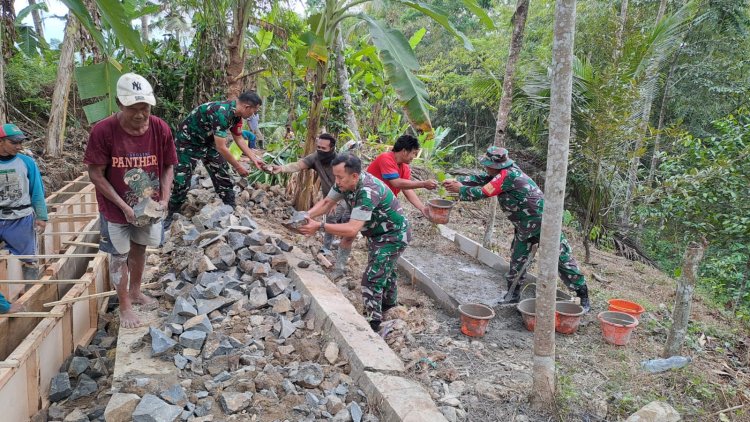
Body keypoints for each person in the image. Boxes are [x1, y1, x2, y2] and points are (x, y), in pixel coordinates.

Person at [443, 146, 590, 312]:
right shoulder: (501, 173)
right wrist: (459, 181)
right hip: (524, 226)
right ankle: (513, 295)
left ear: (496, 165)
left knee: (561, 258)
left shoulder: (509, 175)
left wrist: (460, 189)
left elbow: (483, 192)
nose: (486, 168)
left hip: (543, 224)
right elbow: (483, 178)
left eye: (487, 165)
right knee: (517, 259)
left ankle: (583, 296)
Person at [84, 73, 177, 328]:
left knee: (140, 247)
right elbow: (95, 173)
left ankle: (135, 291)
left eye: (144, 108)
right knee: (118, 255)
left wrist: (165, 198)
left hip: (149, 205)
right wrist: (123, 206)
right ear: (119, 104)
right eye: (132, 109)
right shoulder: (103, 131)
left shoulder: (160, 128)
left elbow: (169, 166)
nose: (139, 115)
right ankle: (124, 306)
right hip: (116, 208)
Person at [299, 154, 410, 332]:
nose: (337, 181)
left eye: (339, 177)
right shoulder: (345, 182)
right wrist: (306, 216)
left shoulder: (368, 192)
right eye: (335, 176)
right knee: (385, 271)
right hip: (377, 234)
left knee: (372, 279)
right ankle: (390, 307)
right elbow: (327, 202)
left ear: (355, 176)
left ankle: (372, 324)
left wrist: (319, 225)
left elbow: (351, 229)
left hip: (393, 235)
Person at [167, 91, 265, 221]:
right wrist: (238, 167)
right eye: (254, 110)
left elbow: (239, 139)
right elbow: (221, 147)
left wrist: (254, 159)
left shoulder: (236, 116)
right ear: (247, 107)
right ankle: (171, 213)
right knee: (183, 179)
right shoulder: (222, 113)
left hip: (208, 142)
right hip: (188, 141)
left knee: (221, 171)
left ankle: (230, 206)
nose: (254, 114)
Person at [269, 133, 354, 279]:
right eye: (318, 147)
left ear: (332, 148)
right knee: (331, 219)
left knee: (346, 226)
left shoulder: (340, 162)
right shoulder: (316, 158)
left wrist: (336, 201)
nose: (320, 150)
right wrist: (281, 169)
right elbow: (299, 165)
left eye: (323, 148)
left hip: (347, 198)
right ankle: (327, 248)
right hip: (330, 196)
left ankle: (340, 258)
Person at [0, 123, 47, 284]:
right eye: (14, 142)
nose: (19, 146)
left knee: (29, 259)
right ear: (1, 142)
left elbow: (37, 190)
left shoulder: (26, 162)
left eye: (21, 142)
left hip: (21, 218)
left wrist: (41, 216)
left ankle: (30, 295)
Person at [367, 134, 437, 216]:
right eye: (414, 153)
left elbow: (407, 189)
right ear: (404, 151)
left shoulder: (405, 167)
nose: (414, 157)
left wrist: (422, 208)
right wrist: (423, 184)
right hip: (368, 200)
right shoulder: (385, 158)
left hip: (384, 202)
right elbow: (396, 183)